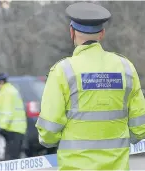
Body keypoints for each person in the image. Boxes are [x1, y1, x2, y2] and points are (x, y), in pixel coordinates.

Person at [35, 2, 145, 170]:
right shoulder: (126, 68)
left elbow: (49, 132)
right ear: (102, 34)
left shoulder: (63, 71)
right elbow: (140, 128)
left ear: (71, 32)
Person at [0, 73, 27, 160]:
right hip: (17, 129)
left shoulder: (6, 93)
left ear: (1, 82)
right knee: (14, 157)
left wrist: (2, 128)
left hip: (12, 129)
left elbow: (8, 112)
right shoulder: (11, 90)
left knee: (10, 158)